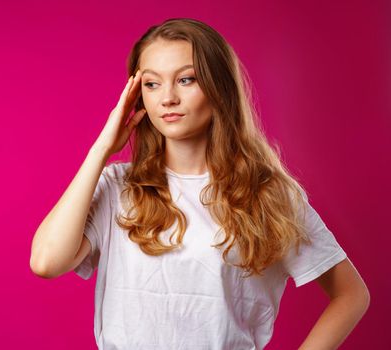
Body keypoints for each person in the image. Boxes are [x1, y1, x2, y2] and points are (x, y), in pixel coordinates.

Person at [30, 18, 370, 350]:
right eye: (151, 84)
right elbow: (46, 262)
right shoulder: (118, 186)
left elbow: (351, 295)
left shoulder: (268, 193)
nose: (167, 98)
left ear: (218, 86)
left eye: (186, 79)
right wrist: (102, 148)